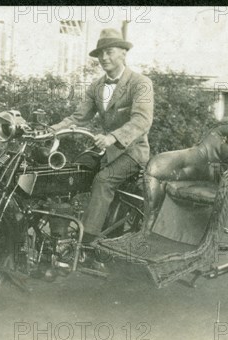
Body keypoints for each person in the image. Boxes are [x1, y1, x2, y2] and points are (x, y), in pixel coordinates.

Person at [50, 28, 154, 244]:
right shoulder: (97, 86)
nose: (104, 58)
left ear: (123, 53)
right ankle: (61, 229)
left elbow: (142, 120)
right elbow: (79, 117)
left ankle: (87, 241)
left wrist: (113, 137)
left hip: (133, 152)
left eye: (110, 52)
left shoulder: (141, 83)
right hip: (107, 150)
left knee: (103, 180)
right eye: (100, 54)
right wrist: (52, 130)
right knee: (74, 170)